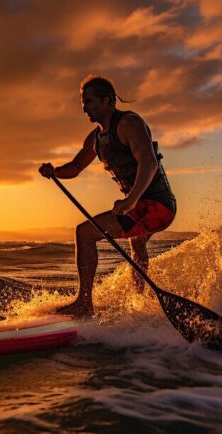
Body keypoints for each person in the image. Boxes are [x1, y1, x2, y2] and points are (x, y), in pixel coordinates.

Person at [39, 74, 176, 317]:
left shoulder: (129, 124)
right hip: (142, 206)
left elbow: (149, 162)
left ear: (108, 101)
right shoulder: (95, 139)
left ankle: (84, 303)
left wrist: (131, 200)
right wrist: (55, 172)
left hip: (157, 206)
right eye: (83, 104)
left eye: (90, 102)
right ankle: (139, 302)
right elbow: (76, 167)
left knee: (85, 232)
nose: (85, 108)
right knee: (137, 242)